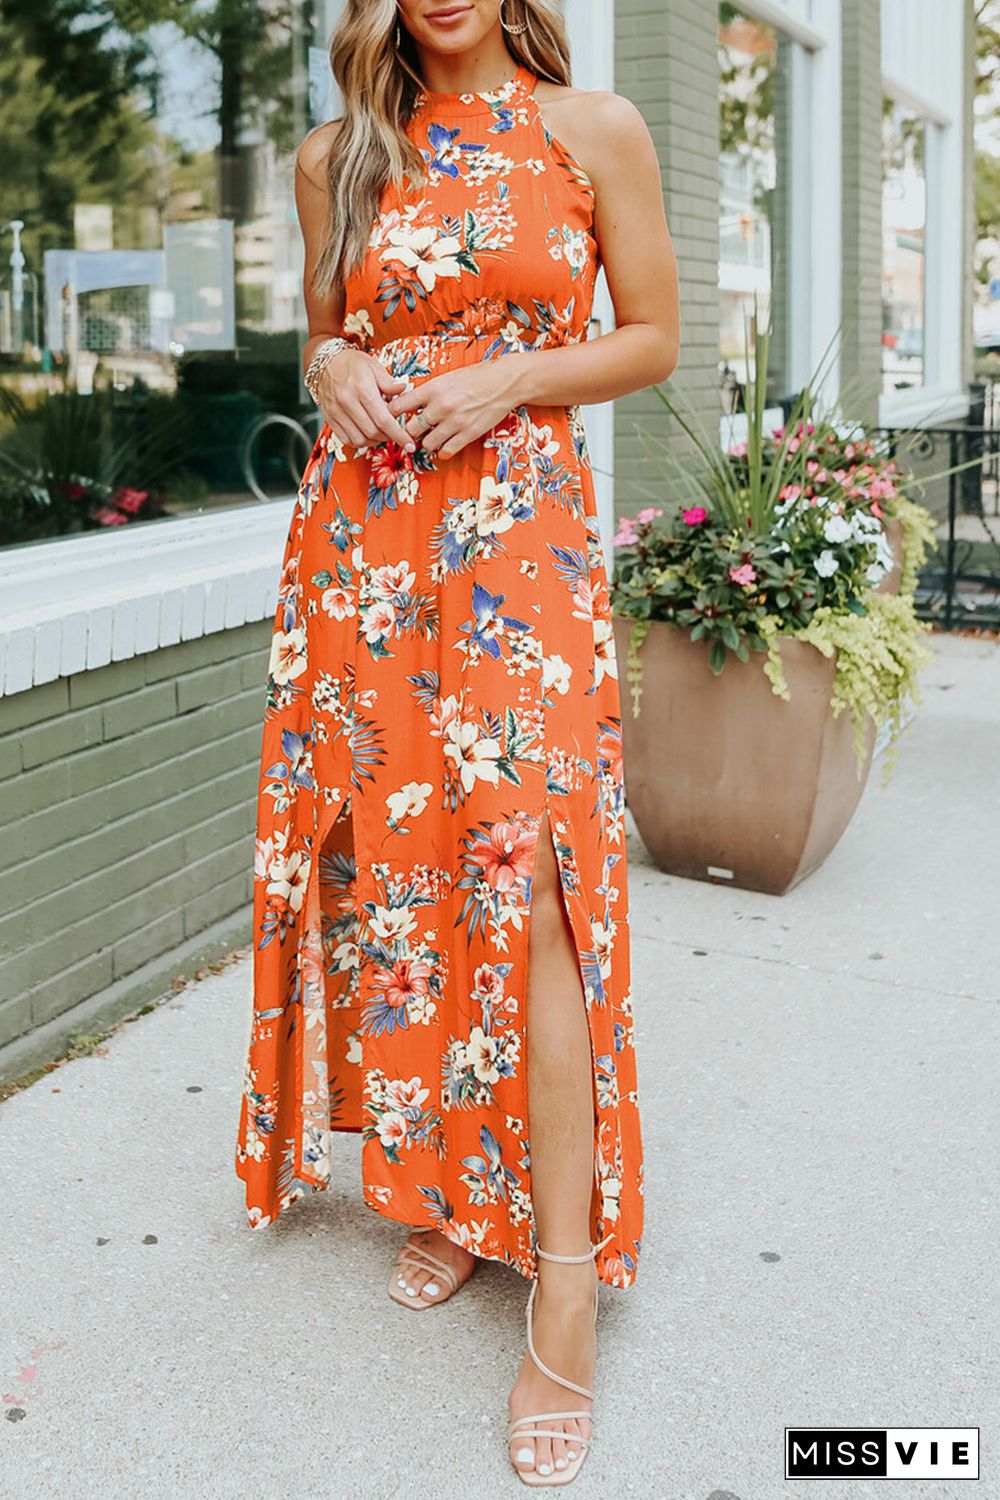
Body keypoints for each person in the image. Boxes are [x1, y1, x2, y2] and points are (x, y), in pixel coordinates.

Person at [235, 0, 679, 1485]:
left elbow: (656, 336)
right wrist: (337, 365)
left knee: (534, 884)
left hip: (521, 545)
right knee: (407, 883)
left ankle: (559, 1280)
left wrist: (509, 378)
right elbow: (322, 332)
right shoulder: (334, 155)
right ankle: (436, 1192)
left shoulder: (589, 128)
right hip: (364, 549)